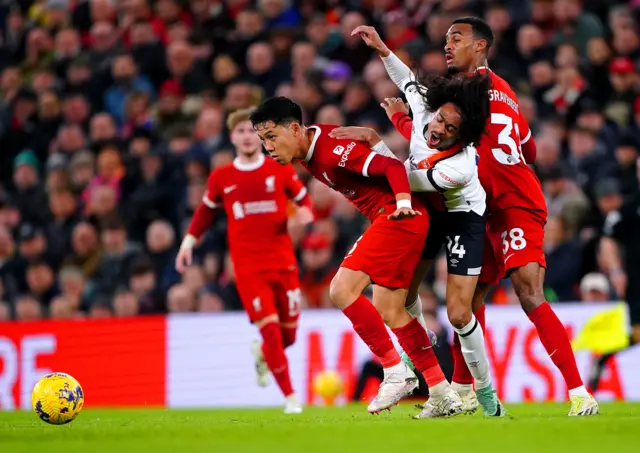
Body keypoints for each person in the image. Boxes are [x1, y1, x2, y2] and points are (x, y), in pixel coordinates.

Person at [330, 26, 504, 416]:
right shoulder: (427, 113)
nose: (438, 129)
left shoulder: (458, 167)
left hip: (462, 217)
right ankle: (428, 370)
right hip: (427, 215)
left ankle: (483, 390)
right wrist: (381, 49)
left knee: (460, 313)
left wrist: (376, 143)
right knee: (400, 297)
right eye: (439, 119)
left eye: (449, 129)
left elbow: (404, 176)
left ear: (464, 136)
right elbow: (406, 80)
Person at [250, 97, 459, 417]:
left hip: (398, 216)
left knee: (341, 289)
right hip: (401, 218)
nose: (267, 147)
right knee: (390, 309)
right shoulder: (310, 144)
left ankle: (394, 370)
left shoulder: (331, 152)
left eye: (271, 137)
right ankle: (441, 391)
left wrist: (403, 202)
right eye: (263, 140)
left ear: (294, 128)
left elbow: (389, 167)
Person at [437, 16, 597, 416]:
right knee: (467, 299)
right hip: (486, 208)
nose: (448, 45)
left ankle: (579, 392)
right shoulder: (505, 90)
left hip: (514, 206)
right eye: (445, 39)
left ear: (481, 47)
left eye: (457, 38)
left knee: (528, 292)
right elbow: (529, 149)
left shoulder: (467, 89)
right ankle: (466, 391)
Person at [175, 108, 314, 415]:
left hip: (284, 263)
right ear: (232, 138)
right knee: (271, 330)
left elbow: (303, 199)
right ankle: (291, 398)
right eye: (241, 132)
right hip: (249, 269)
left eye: (253, 131)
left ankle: (263, 355)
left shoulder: (280, 169)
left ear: (263, 136)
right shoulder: (222, 177)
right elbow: (204, 214)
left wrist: (305, 213)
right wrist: (188, 242)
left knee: (288, 335)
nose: (248, 137)